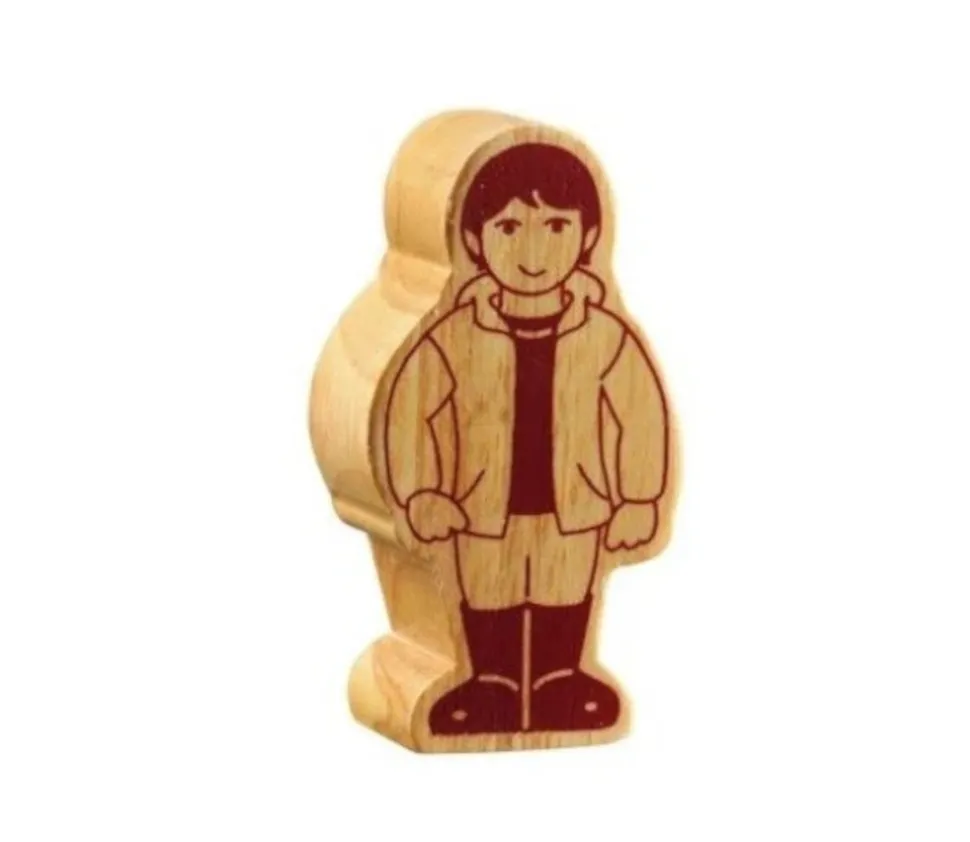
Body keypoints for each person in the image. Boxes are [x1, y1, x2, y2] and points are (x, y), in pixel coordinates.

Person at [383, 143, 669, 734]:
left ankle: (560, 678)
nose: (533, 251)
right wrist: (423, 492)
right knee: (491, 591)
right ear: (472, 241)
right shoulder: (453, 336)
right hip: (480, 507)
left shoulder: (605, 336)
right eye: (509, 227)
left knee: (564, 587)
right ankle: (489, 681)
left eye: (557, 226)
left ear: (589, 238)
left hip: (576, 507)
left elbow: (640, 416)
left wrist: (639, 496)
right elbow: (411, 414)